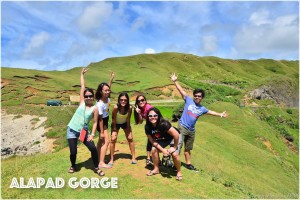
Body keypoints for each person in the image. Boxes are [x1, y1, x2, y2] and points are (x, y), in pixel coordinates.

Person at [170, 72, 228, 172]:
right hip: (182, 127)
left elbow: (210, 112)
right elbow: (181, 91)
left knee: (188, 148)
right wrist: (175, 81)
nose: (197, 97)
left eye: (199, 96)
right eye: (196, 95)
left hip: (191, 130)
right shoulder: (188, 100)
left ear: (202, 98)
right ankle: (175, 164)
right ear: (194, 96)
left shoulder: (202, 108)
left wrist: (221, 114)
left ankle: (188, 164)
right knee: (178, 146)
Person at [66, 67, 104, 176]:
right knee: (73, 152)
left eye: (90, 96)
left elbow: (95, 122)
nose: (88, 98)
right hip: (72, 130)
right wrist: (82, 75)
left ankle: (96, 168)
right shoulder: (82, 102)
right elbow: (82, 86)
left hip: (83, 132)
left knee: (93, 148)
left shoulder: (95, 108)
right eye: (86, 96)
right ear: (84, 97)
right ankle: (73, 165)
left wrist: (92, 134)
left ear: (93, 97)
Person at [144, 107, 183, 181]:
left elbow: (176, 135)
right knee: (154, 149)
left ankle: (179, 172)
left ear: (158, 116)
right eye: (150, 116)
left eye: (155, 115)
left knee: (174, 154)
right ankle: (156, 169)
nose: (153, 117)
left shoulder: (163, 123)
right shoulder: (147, 127)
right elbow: (152, 141)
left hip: (174, 137)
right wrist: (163, 150)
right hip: (163, 139)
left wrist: (174, 147)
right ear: (147, 117)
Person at [108, 92, 137, 166]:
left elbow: (128, 118)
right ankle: (111, 159)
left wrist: (128, 129)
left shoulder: (129, 108)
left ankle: (133, 157)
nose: (123, 101)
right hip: (116, 124)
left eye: (125, 100)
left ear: (127, 101)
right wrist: (114, 130)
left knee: (130, 138)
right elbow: (113, 119)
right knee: (113, 139)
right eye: (121, 100)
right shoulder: (115, 108)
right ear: (119, 100)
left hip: (125, 123)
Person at [96, 72, 115, 169]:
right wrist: (102, 131)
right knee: (106, 141)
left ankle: (98, 157)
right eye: (105, 91)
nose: (107, 92)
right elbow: (100, 119)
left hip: (105, 120)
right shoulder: (100, 104)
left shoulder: (107, 98)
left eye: (108, 90)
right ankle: (101, 163)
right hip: (102, 123)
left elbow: (108, 86)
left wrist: (111, 78)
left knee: (100, 141)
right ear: (100, 92)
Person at [133, 95, 154, 166]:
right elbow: (141, 121)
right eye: (139, 101)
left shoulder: (149, 108)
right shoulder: (140, 109)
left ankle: (156, 159)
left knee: (155, 142)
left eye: (142, 100)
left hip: (155, 126)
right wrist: (139, 113)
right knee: (150, 142)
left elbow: (155, 119)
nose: (141, 102)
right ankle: (148, 158)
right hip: (149, 126)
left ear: (145, 100)